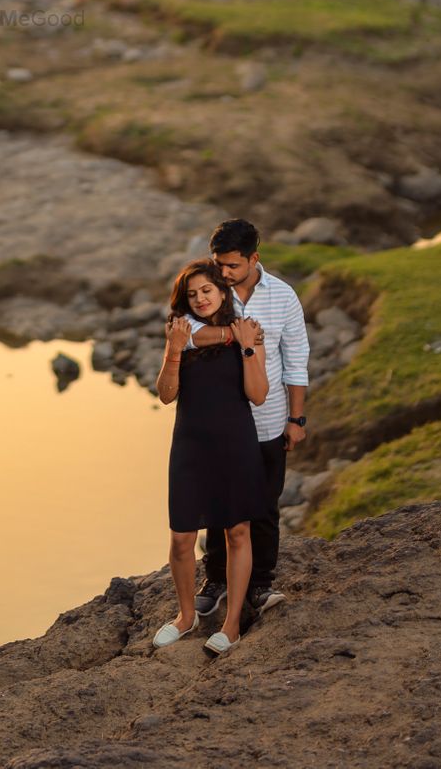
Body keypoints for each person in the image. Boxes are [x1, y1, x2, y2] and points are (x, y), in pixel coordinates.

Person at [187, 219, 310, 623]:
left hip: (270, 420)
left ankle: (260, 585)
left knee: (264, 507)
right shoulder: (207, 291)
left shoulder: (283, 296)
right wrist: (237, 338)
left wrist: (296, 418)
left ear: (254, 259)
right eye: (219, 264)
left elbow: (296, 360)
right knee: (219, 506)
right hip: (219, 421)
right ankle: (217, 580)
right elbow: (184, 333)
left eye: (233, 266)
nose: (223, 273)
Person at [153, 258, 269, 657]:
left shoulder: (248, 332)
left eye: (206, 290)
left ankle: (231, 625)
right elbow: (166, 394)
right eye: (192, 294)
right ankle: (186, 618)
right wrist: (173, 348)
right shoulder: (180, 333)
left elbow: (258, 394)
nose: (200, 298)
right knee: (182, 537)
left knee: (237, 532)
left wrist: (248, 346)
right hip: (190, 446)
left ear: (222, 292)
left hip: (234, 443)